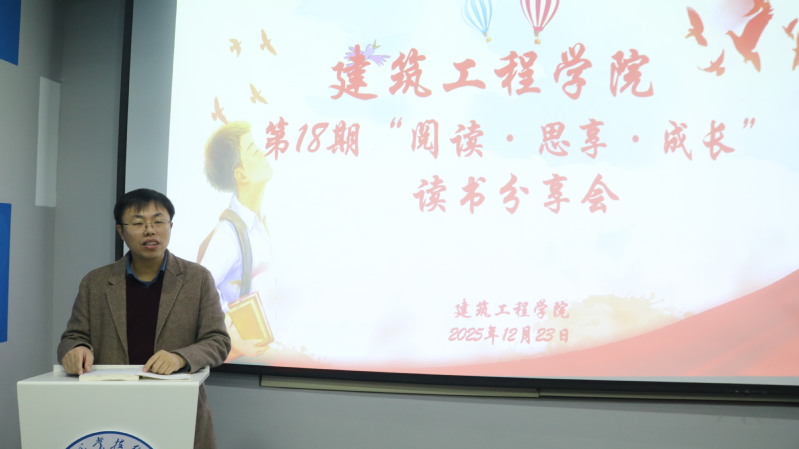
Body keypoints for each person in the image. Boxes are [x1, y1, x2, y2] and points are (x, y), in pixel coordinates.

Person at [58, 188, 231, 449]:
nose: (150, 231)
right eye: (138, 223)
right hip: (110, 409)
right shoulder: (96, 282)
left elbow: (218, 341)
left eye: (158, 222)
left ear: (170, 226)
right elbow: (73, 337)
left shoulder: (197, 278)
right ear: (121, 231)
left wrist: (181, 358)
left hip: (177, 408)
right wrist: (75, 349)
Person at [199, 121, 277, 361]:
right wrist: (233, 336)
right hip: (245, 360)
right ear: (240, 174)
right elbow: (199, 292)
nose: (264, 154)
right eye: (254, 151)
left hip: (265, 354)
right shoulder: (228, 233)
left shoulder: (258, 224)